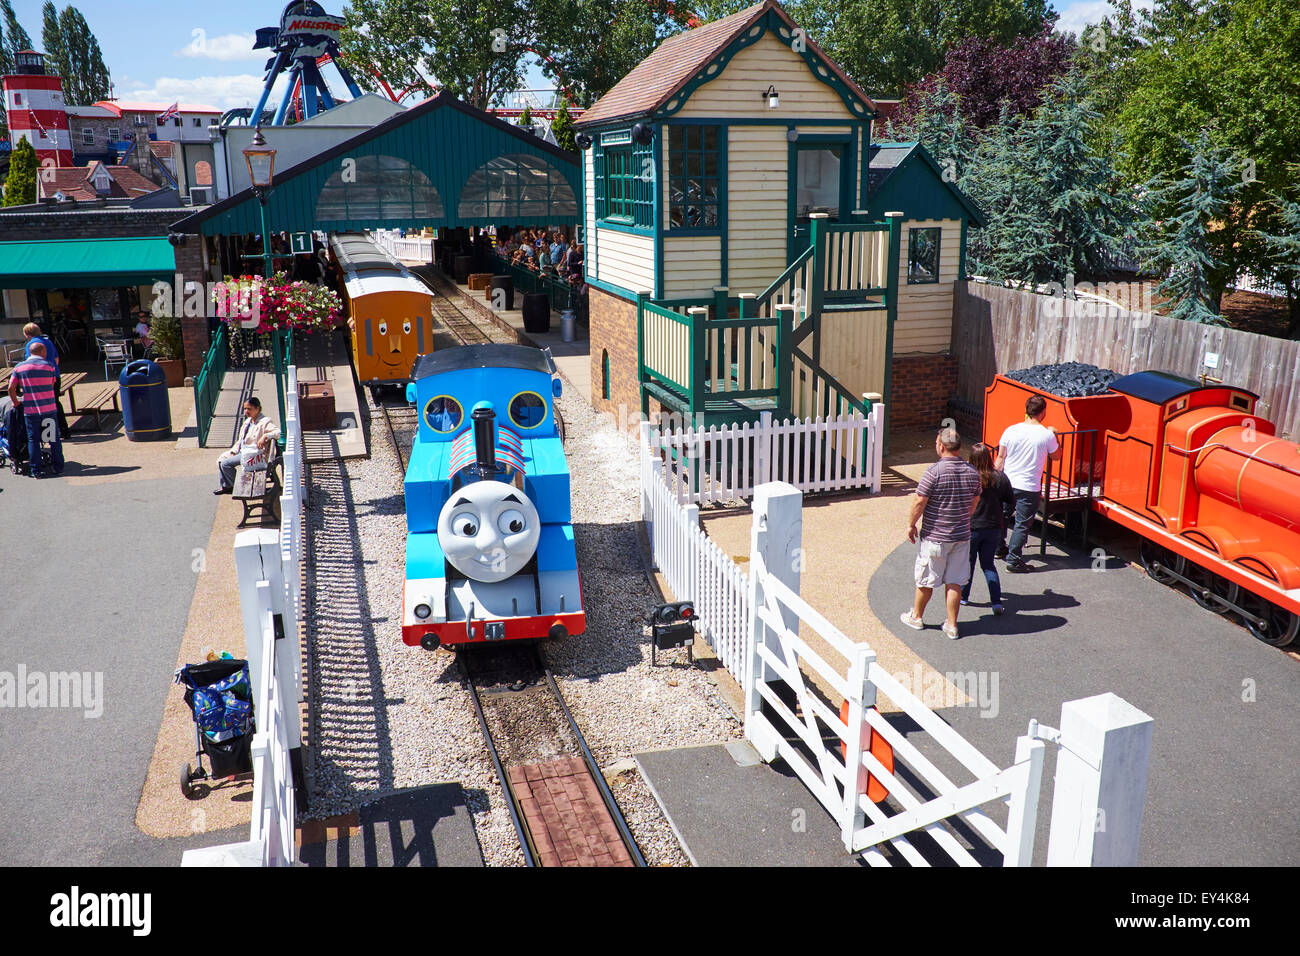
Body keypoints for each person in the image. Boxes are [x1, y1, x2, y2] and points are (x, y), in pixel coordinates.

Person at [901, 428, 982, 639]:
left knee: (927, 579)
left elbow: (920, 501)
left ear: (941, 446)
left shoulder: (933, 472)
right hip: (961, 536)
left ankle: (917, 617)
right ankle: (952, 624)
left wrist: (911, 525)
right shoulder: (972, 472)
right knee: (955, 581)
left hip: (936, 536)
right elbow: (975, 501)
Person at [996, 394, 1061, 573]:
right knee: (1021, 524)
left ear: (1026, 410)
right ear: (1043, 412)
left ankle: (998, 548)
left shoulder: (1010, 430)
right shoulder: (1047, 435)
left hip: (1007, 482)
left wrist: (994, 480)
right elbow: (1056, 456)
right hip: (1029, 486)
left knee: (1002, 516)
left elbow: (1000, 457)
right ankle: (1014, 559)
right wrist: (1056, 436)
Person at [962, 443, 1015, 614]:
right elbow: (1011, 500)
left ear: (972, 459)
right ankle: (996, 602)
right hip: (993, 528)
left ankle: (963, 597)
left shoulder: (968, 477)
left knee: (967, 564)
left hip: (972, 527)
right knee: (988, 565)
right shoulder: (1000, 477)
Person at [8, 340, 65, 478]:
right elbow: (51, 385)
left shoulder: (19, 368)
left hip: (31, 410)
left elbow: (11, 388)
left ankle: (36, 470)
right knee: (52, 438)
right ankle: (57, 466)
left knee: (33, 440)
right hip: (49, 409)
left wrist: (15, 402)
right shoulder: (49, 366)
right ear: (43, 352)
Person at [214, 397, 280, 495]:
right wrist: (233, 451)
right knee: (221, 460)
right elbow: (241, 441)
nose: (246, 411)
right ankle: (227, 485)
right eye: (245, 409)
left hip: (253, 455)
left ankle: (239, 487)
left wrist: (265, 436)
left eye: (249, 409)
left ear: (257, 408)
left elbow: (278, 432)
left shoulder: (265, 422)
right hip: (243, 451)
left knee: (226, 464)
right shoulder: (247, 422)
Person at [22, 322, 69, 440]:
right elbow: (56, 358)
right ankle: (64, 430)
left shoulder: (31, 345)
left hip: (40, 378)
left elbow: (30, 363)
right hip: (54, 376)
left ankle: (48, 434)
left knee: (43, 406)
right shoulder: (48, 341)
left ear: (27, 334)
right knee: (55, 402)